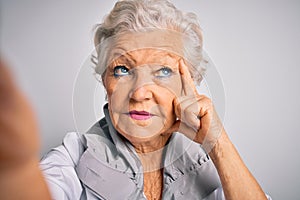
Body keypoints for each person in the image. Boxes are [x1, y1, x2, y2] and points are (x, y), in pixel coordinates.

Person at [0, 0, 271, 199]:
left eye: (163, 71)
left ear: (189, 83)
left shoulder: (211, 165)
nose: (139, 93)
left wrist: (217, 140)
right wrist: (16, 165)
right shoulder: (74, 155)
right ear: (105, 80)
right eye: (122, 69)